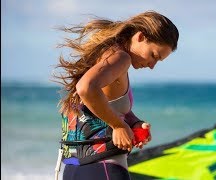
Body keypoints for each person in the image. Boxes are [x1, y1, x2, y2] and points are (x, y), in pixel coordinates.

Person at [52, 10, 179, 180]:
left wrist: (133, 123)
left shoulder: (106, 54)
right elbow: (86, 88)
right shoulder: (121, 58)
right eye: (153, 55)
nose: (152, 65)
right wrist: (119, 126)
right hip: (103, 166)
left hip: (74, 168)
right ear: (140, 37)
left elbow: (101, 103)